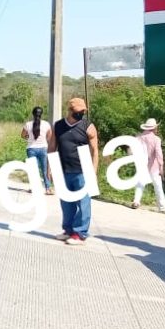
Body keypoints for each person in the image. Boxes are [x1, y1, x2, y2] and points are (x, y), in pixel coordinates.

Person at [49, 98, 99, 245]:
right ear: (70, 110)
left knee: (83, 204)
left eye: (83, 111)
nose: (82, 113)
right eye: (79, 111)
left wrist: (94, 172)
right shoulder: (58, 126)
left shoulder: (88, 126)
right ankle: (68, 230)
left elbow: (95, 150)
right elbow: (52, 148)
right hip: (63, 169)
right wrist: (49, 168)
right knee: (66, 203)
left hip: (83, 171)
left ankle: (80, 233)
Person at [132, 118, 165, 212]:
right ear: (154, 128)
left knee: (140, 183)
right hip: (153, 166)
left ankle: (136, 201)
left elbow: (132, 151)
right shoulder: (156, 139)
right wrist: (161, 166)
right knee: (158, 186)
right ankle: (162, 207)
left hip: (141, 165)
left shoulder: (138, 138)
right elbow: (159, 153)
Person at [21, 106, 53, 195]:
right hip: (43, 149)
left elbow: (23, 135)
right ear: (41, 114)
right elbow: (49, 137)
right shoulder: (46, 124)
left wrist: (28, 137)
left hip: (31, 149)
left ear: (33, 114)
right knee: (45, 169)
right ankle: (48, 189)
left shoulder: (28, 124)